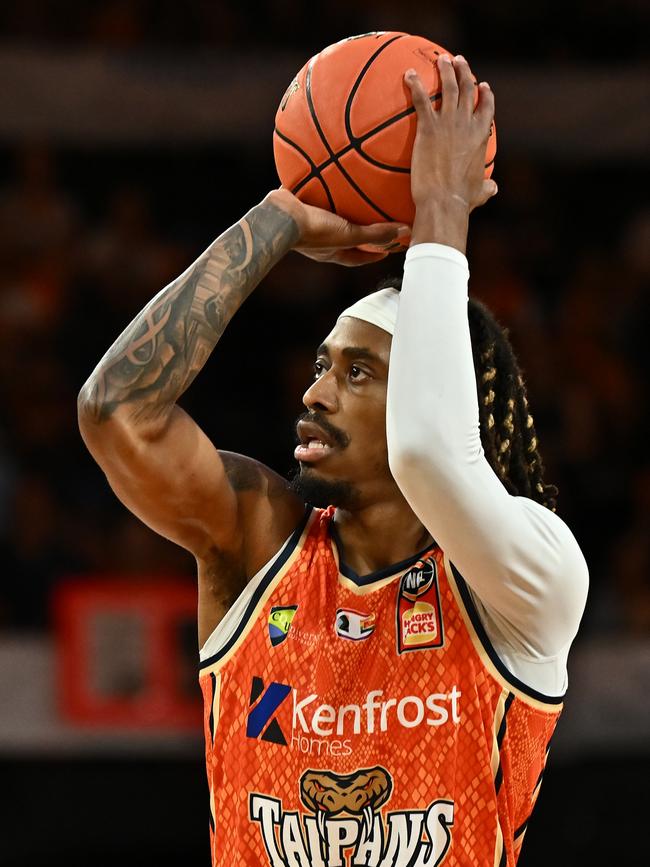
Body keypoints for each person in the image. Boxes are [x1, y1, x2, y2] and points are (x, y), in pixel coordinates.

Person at [78, 56, 588, 866]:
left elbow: (431, 455)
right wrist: (276, 220)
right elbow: (115, 411)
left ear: (439, 390)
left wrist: (441, 209)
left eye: (357, 372)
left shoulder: (535, 576)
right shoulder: (259, 540)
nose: (315, 393)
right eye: (320, 365)